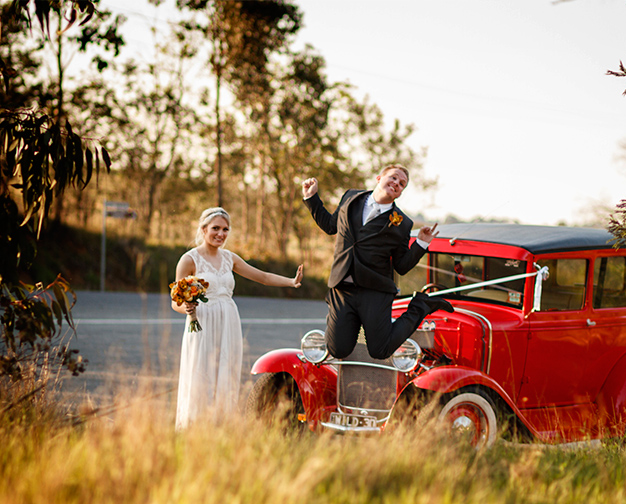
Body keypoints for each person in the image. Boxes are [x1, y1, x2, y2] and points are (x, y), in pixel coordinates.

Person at [302, 164, 452, 360]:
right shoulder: (350, 197)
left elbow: (402, 265)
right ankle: (347, 317)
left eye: (402, 184)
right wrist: (311, 198)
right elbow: (331, 226)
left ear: (399, 194)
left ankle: (421, 306)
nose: (397, 183)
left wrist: (421, 244)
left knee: (379, 350)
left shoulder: (402, 223)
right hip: (343, 287)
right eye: (393, 177)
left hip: (375, 291)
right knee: (338, 349)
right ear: (379, 178)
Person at [172, 207, 303, 429]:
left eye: (225, 229)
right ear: (203, 229)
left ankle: (221, 425)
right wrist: (188, 309)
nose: (220, 234)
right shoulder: (189, 259)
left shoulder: (229, 258)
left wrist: (291, 281)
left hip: (229, 322)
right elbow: (175, 302)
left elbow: (262, 276)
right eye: (215, 228)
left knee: (226, 370)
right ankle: (195, 427)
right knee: (201, 372)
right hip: (202, 322)